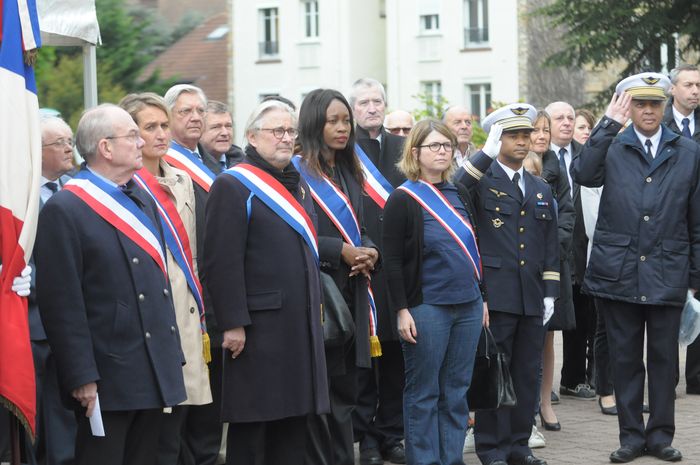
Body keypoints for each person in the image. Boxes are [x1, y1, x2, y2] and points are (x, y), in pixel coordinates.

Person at [35, 104, 187, 465]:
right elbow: (62, 304)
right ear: (105, 147)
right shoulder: (66, 208)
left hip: (152, 367)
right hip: (107, 373)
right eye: (133, 135)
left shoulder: (141, 198)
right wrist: (82, 377)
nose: (141, 142)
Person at [575, 72, 700, 463]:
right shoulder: (612, 142)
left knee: (664, 362)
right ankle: (630, 436)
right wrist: (607, 124)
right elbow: (583, 173)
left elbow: (696, 218)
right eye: (639, 103)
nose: (647, 111)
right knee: (625, 359)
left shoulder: (688, 150)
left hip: (668, 268)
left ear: (665, 107)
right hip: (620, 268)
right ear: (628, 106)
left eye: (654, 104)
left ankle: (661, 436)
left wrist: (695, 279)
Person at [203, 99, 329, 465]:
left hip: (297, 323)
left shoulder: (297, 183)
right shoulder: (234, 185)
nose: (287, 138)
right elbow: (220, 261)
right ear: (252, 137)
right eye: (278, 131)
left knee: (292, 422)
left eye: (291, 131)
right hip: (258, 327)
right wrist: (232, 323)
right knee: (255, 424)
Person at [456, 103, 559, 465]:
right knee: (495, 373)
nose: (521, 142)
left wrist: (550, 292)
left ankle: (519, 445)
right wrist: (483, 154)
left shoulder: (539, 186)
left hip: (531, 295)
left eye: (525, 135)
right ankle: (491, 447)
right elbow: (456, 187)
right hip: (496, 294)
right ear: (498, 138)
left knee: (526, 373)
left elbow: (550, 245)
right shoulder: (482, 182)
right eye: (512, 135)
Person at [382, 118, 486, 465]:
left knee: (456, 393)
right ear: (416, 152)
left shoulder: (461, 193)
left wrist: (482, 298)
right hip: (427, 308)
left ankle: (450, 458)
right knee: (424, 393)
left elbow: (475, 248)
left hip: (469, 306)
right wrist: (401, 310)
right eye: (434, 146)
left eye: (447, 145)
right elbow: (393, 261)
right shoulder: (403, 198)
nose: (443, 151)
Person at [119, 93, 213, 465]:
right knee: (158, 427)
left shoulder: (182, 180)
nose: (160, 134)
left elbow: (190, 251)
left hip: (188, 311)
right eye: (149, 127)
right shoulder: (124, 187)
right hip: (152, 314)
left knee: (189, 418)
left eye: (162, 126)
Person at [296, 88, 380, 465]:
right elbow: (295, 231)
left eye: (346, 120)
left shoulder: (348, 170)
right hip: (318, 294)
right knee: (323, 391)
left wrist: (369, 250)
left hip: (352, 290)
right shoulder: (295, 172)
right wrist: (339, 250)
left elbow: (361, 227)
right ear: (315, 123)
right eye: (333, 121)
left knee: (348, 390)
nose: (343, 128)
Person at [163, 84, 225, 464]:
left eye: (200, 110)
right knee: (184, 394)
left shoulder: (213, 164)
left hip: (214, 291)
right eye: (185, 111)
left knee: (211, 392)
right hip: (181, 293)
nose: (195, 117)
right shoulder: (163, 166)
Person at [349, 77, 406, 465]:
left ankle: (392, 433)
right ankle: (366, 438)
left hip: (400, 267)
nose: (372, 107)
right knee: (365, 358)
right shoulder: (343, 151)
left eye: (377, 101)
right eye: (364, 102)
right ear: (353, 109)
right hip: (361, 267)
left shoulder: (404, 148)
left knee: (398, 356)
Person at [24, 115, 78, 465]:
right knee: (34, 424)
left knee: (68, 422)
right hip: (33, 325)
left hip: (73, 325)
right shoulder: (18, 194)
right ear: (37, 151)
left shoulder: (77, 189)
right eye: (60, 143)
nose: (69, 148)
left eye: (70, 140)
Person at [546, 101, 596, 401]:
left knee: (581, 315)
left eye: (570, 117)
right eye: (559, 118)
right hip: (552, 246)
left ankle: (574, 379)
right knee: (548, 320)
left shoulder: (585, 156)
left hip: (582, 247)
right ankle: (543, 386)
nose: (566, 123)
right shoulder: (539, 156)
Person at [529, 110, 576, 432]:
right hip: (520, 267)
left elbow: (567, 218)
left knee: (546, 339)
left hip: (551, 266)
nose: (543, 135)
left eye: (546, 129)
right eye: (536, 129)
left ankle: (545, 403)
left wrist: (548, 252)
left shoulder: (556, 170)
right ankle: (524, 408)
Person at [663, 64, 700, 396]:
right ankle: (667, 378)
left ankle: (697, 377)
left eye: (698, 85)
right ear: (673, 89)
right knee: (669, 306)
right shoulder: (660, 126)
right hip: (670, 225)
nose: (695, 91)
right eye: (688, 84)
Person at [200, 100, 244, 169]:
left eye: (228, 126)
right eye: (216, 127)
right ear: (199, 131)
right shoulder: (190, 167)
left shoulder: (244, 166)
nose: (225, 133)